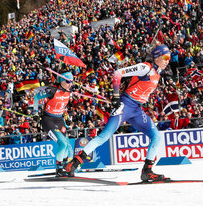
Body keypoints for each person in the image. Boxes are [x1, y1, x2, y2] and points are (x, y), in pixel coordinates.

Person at [65, 45, 171, 182]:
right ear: (157, 57)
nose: (168, 60)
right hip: (125, 105)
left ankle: (147, 171)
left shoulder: (158, 71)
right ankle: (74, 163)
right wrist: (115, 96)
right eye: (165, 57)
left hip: (136, 110)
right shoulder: (145, 67)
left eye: (169, 57)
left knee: (156, 136)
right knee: (104, 136)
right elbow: (117, 73)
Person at [33, 72, 74, 177]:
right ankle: (59, 168)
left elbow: (61, 106)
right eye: (68, 81)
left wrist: (66, 119)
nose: (70, 84)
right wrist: (35, 113)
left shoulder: (69, 91)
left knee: (66, 144)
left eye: (71, 82)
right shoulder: (52, 90)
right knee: (62, 143)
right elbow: (36, 97)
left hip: (60, 120)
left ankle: (65, 166)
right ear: (61, 81)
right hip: (49, 120)